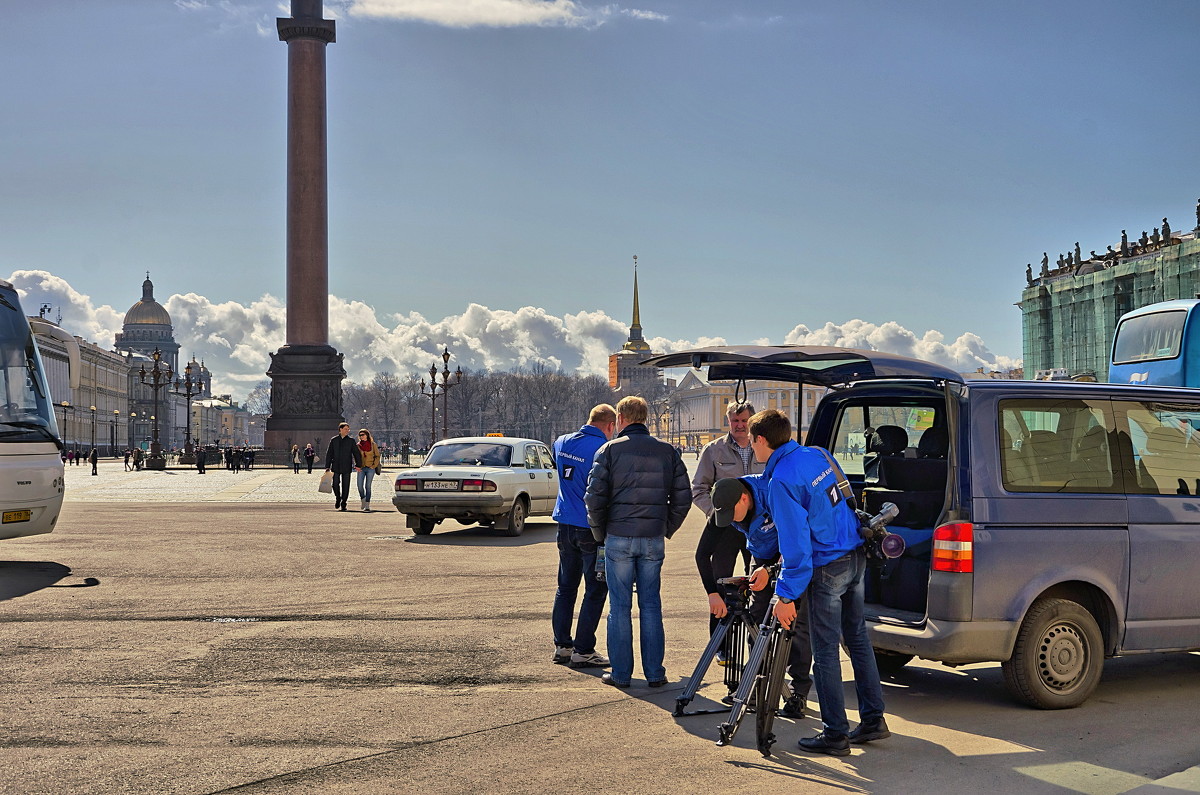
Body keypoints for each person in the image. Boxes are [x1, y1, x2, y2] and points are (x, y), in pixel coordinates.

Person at [748, 409, 889, 757]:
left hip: (827, 566)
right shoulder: (816, 454)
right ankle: (873, 720)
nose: (751, 448)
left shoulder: (780, 479)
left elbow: (796, 546)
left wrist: (785, 595)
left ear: (761, 440)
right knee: (857, 641)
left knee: (825, 653)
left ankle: (835, 734)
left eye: (752, 441)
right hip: (855, 554)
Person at [585, 396, 690, 689]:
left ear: (620, 418)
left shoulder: (608, 451)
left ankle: (621, 674)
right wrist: (665, 527)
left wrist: (600, 533)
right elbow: (684, 497)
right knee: (651, 605)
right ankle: (655, 673)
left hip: (618, 535)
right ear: (645, 418)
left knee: (619, 607)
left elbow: (593, 498)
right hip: (653, 537)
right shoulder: (667, 452)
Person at [710, 476, 811, 718]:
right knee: (757, 619)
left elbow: (796, 538)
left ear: (744, 498)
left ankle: (798, 693)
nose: (732, 519)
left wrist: (772, 570)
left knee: (796, 624)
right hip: (762, 558)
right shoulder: (730, 504)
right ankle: (756, 685)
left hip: (793, 557)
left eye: (732, 512)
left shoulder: (774, 493)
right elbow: (708, 551)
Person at [550, 403, 617, 669]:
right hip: (591, 527)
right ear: (610, 425)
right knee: (596, 587)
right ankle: (583, 649)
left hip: (564, 523)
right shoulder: (604, 449)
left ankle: (562, 646)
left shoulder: (561, 441)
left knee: (565, 587)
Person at [692, 402, 763, 649]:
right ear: (728, 421)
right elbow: (698, 489)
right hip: (725, 529)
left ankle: (757, 644)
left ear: (752, 421)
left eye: (744, 421)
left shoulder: (763, 447)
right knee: (722, 584)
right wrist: (718, 514)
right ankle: (721, 646)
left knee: (759, 585)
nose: (740, 426)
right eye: (735, 421)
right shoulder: (713, 450)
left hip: (757, 526)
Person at [325, 422, 362, 512]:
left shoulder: (351, 441)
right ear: (340, 429)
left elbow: (356, 453)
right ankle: (338, 497)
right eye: (345, 429)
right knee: (335, 484)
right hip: (336, 466)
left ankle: (344, 503)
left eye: (348, 429)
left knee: (346, 486)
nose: (347, 431)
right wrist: (327, 466)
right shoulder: (334, 440)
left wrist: (358, 465)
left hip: (346, 466)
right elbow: (329, 453)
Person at [356, 428, 381, 512]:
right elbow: (356, 457)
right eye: (360, 435)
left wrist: (374, 465)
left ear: (367, 435)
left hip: (370, 468)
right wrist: (356, 465)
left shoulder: (373, 444)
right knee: (359, 486)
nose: (361, 437)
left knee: (368, 486)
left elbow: (377, 456)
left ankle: (367, 505)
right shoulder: (358, 445)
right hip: (361, 468)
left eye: (363, 435)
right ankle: (363, 499)